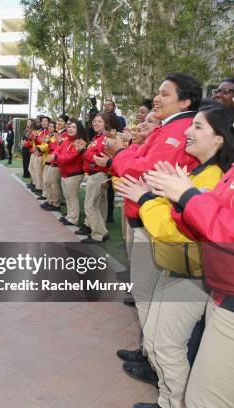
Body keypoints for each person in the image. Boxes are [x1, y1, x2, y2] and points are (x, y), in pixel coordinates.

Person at [116, 101, 231, 408]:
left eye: (197, 126)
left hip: (194, 274)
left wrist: (146, 200)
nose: (187, 132)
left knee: (167, 346)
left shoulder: (212, 176)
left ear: (219, 137)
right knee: (157, 341)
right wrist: (162, 196)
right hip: (189, 271)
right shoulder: (203, 172)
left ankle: (171, 402)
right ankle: (169, 400)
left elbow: (180, 229)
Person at [107, 73, 202, 385]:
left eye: (165, 93)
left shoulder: (177, 129)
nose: (157, 99)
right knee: (146, 293)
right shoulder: (168, 127)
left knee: (147, 293)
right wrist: (128, 155)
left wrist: (120, 154)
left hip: (156, 220)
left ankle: (153, 360)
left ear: (185, 101)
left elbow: (145, 168)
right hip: (148, 216)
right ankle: (149, 352)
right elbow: (141, 157)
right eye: (157, 93)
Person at [77, 112, 112, 243]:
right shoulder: (96, 138)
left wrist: (83, 152)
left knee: (90, 205)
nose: (95, 123)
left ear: (106, 124)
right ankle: (100, 231)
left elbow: (98, 158)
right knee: (98, 205)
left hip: (98, 174)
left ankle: (98, 234)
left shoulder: (104, 139)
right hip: (96, 174)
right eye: (94, 122)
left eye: (99, 121)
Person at [53, 119, 86, 226]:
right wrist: (56, 155)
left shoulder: (79, 141)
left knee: (72, 197)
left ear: (79, 129)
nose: (70, 129)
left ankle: (74, 218)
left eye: (74, 127)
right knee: (67, 196)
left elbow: (69, 157)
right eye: (70, 127)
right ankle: (70, 215)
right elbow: (58, 149)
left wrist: (56, 157)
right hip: (65, 173)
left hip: (74, 174)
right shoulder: (67, 140)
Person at [43, 114, 69, 211]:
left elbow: (57, 147)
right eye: (58, 120)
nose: (59, 122)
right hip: (52, 160)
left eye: (62, 121)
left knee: (54, 183)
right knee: (48, 182)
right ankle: (50, 200)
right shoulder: (57, 133)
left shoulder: (65, 134)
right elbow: (53, 146)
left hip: (57, 162)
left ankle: (55, 203)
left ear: (65, 124)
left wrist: (49, 143)